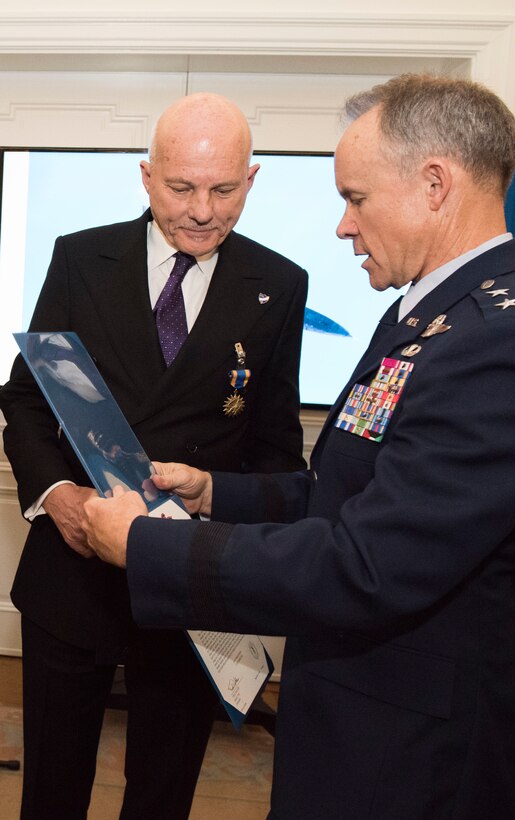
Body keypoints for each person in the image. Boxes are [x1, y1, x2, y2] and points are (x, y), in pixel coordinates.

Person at [82, 73, 515, 820]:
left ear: (435, 184)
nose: (344, 227)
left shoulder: (504, 343)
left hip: (412, 756)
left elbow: (367, 565)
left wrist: (147, 547)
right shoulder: (430, 315)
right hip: (360, 716)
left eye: (356, 198)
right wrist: (216, 491)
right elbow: (349, 489)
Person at [0, 92, 308, 819]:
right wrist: (58, 498)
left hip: (188, 583)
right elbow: (27, 400)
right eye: (180, 187)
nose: (202, 209)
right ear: (146, 176)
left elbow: (274, 448)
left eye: (224, 189)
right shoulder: (80, 259)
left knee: (163, 793)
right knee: (52, 789)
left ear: (251, 180)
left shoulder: (279, 284)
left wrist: (216, 495)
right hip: (71, 576)